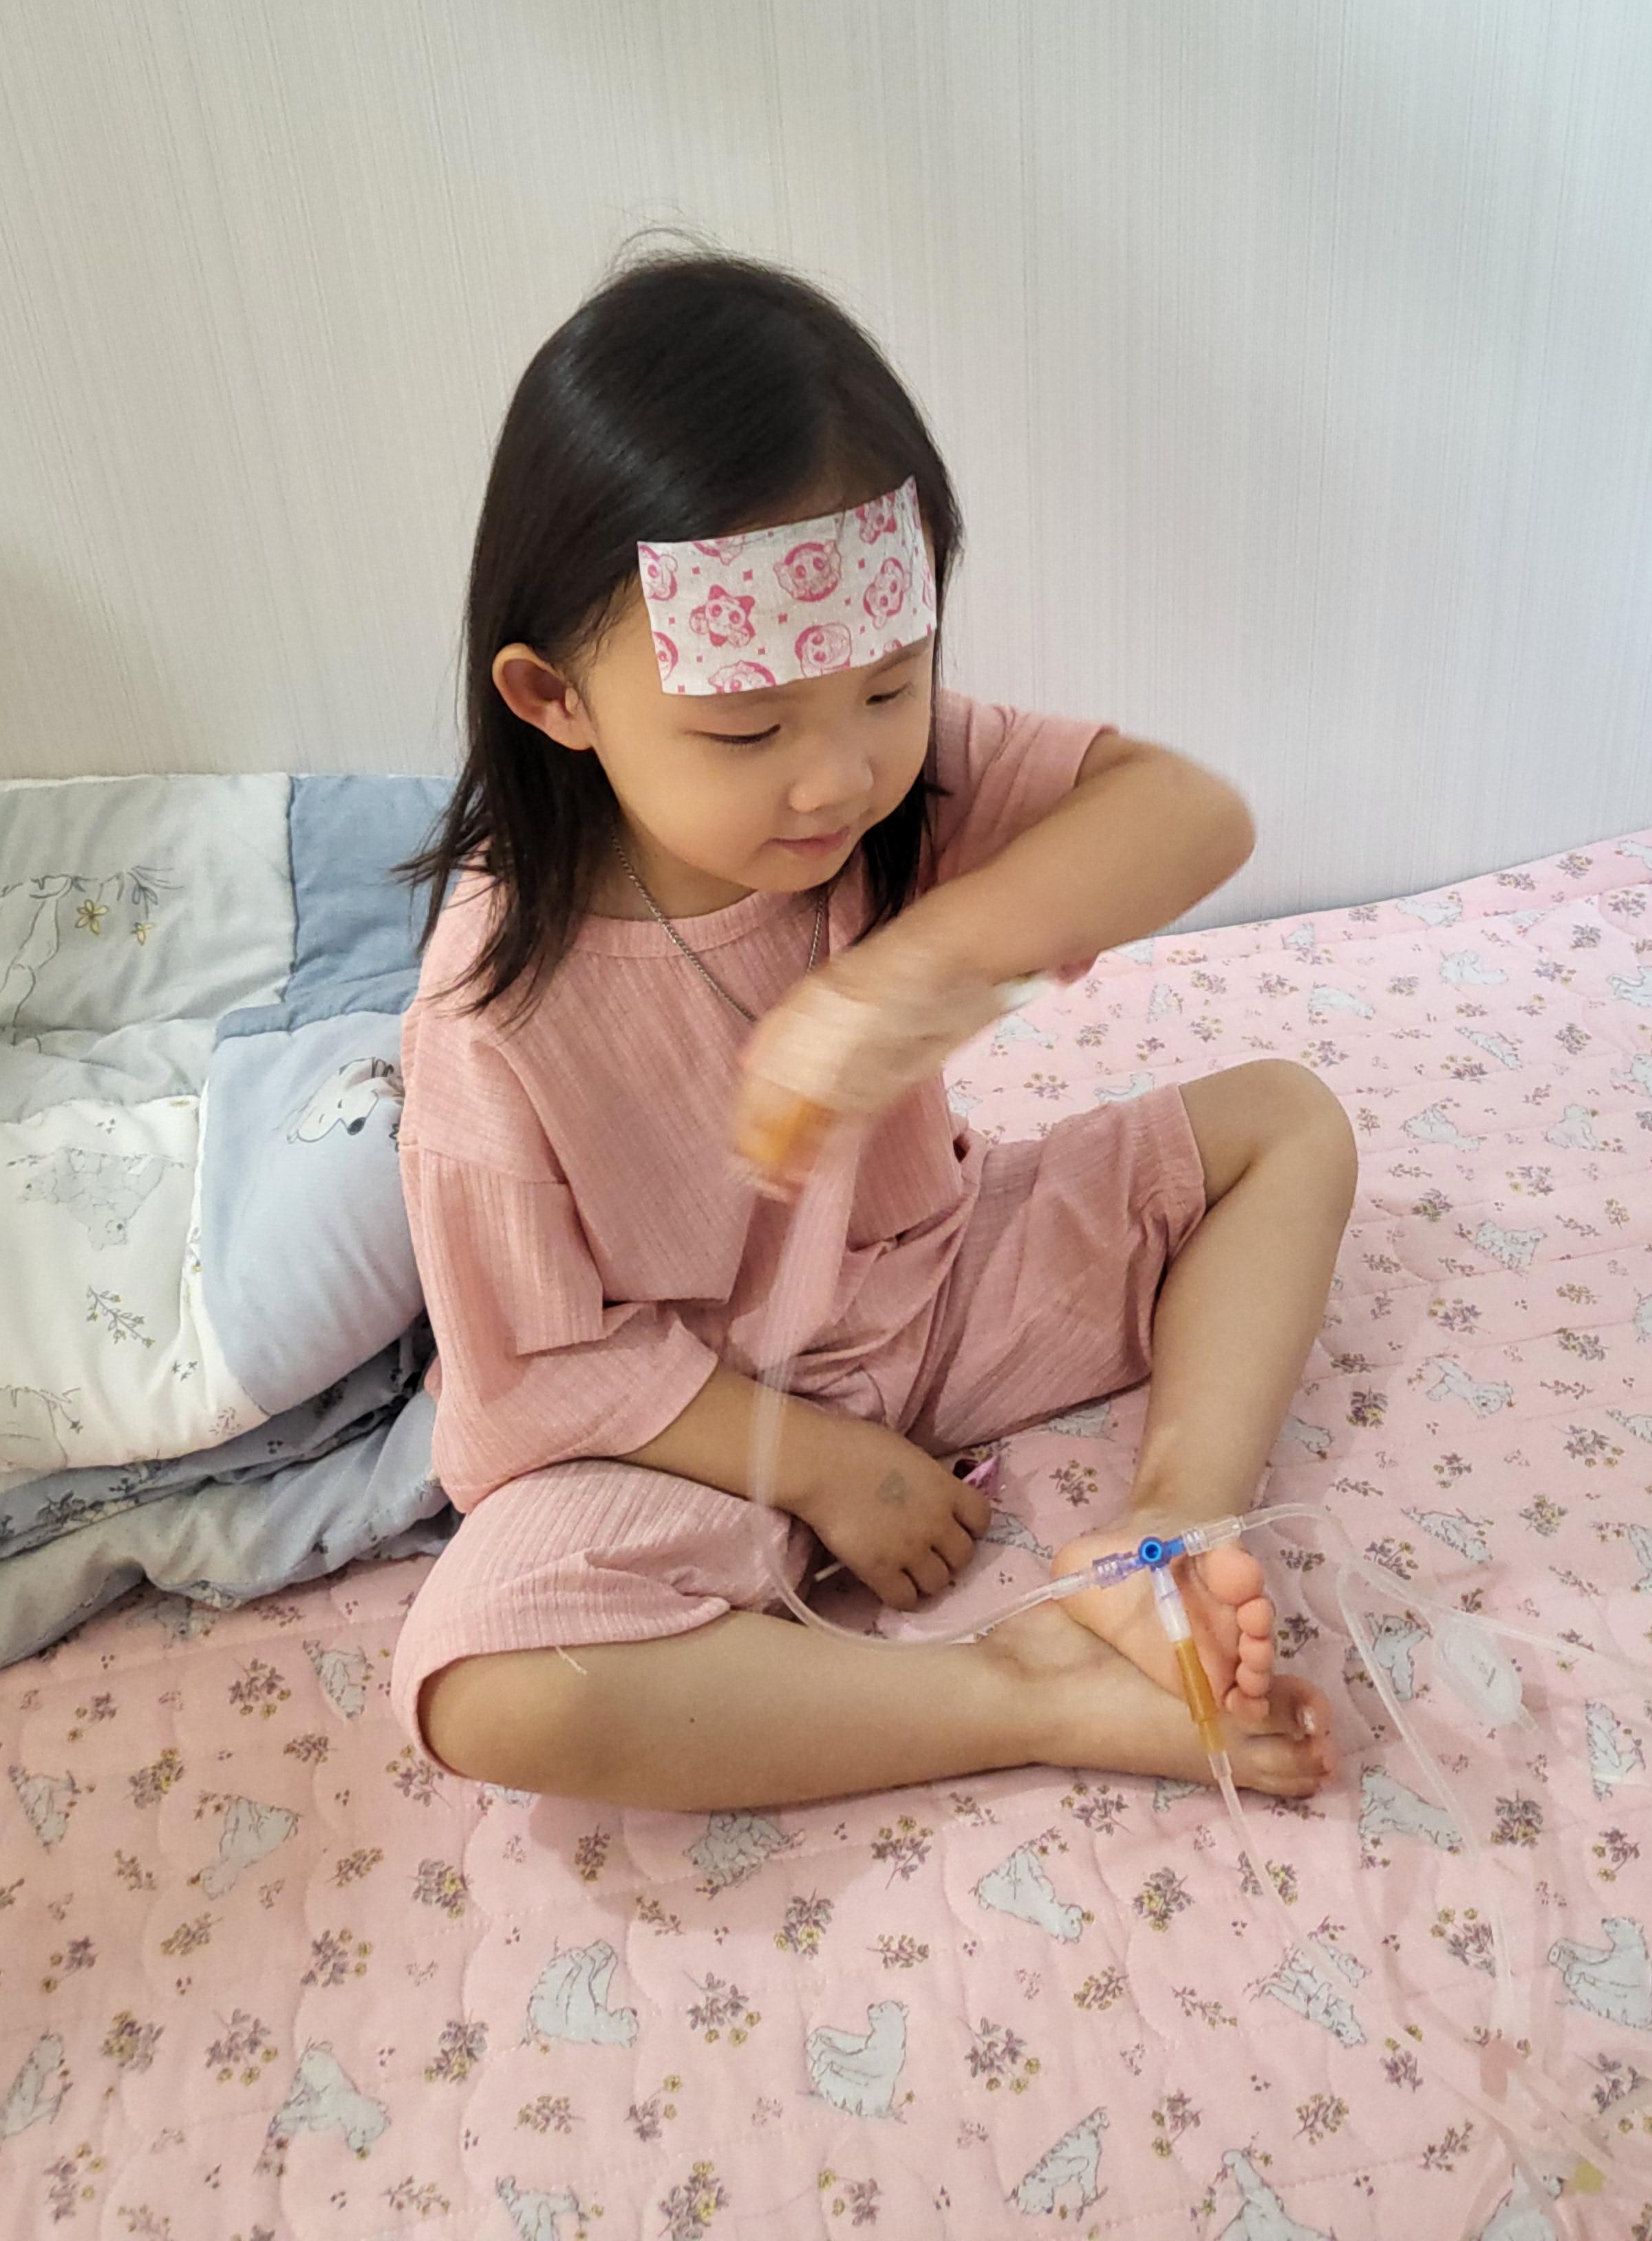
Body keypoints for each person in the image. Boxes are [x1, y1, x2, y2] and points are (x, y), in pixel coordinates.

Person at [390, 248, 1356, 1811]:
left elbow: (1195, 815)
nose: (837, 777)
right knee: (489, 1684)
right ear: (555, 699)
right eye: (746, 729)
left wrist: (918, 969)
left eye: (892, 690)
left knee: (1286, 1123)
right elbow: (536, 1383)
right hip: (696, 1426)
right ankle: (1021, 1695)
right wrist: (836, 1469)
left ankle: (1163, 1536)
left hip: (939, 1288)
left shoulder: (885, 788)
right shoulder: (490, 1008)